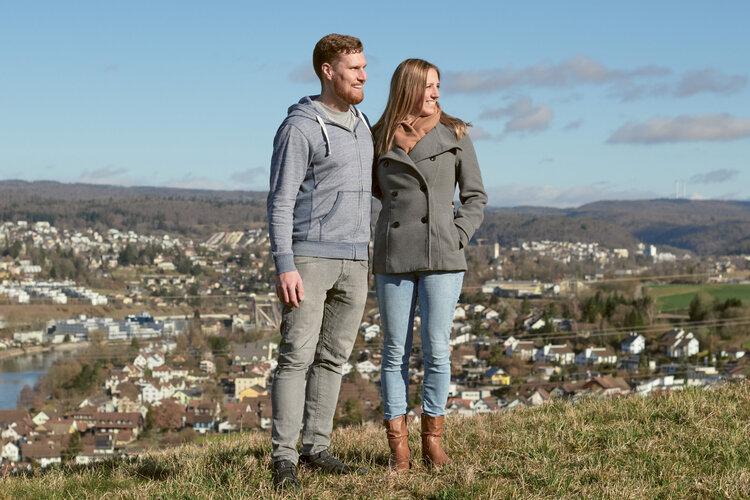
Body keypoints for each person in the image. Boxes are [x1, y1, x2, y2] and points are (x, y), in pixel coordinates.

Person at [266, 33, 372, 490]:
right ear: (328, 72)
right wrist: (284, 262)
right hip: (309, 257)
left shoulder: (362, 122)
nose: (364, 75)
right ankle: (284, 458)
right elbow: (280, 200)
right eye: (355, 69)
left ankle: (317, 447)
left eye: (365, 67)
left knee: (332, 359)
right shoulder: (300, 127)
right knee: (295, 358)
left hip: (356, 259)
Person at [371, 58, 487, 471]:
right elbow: (372, 192)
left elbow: (475, 197)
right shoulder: (380, 134)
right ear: (409, 88)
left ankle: (432, 442)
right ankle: (398, 447)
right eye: (429, 86)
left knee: (437, 350)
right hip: (394, 253)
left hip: (442, 253)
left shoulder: (455, 133)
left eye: (439, 86)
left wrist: (456, 235)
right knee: (393, 352)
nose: (437, 93)